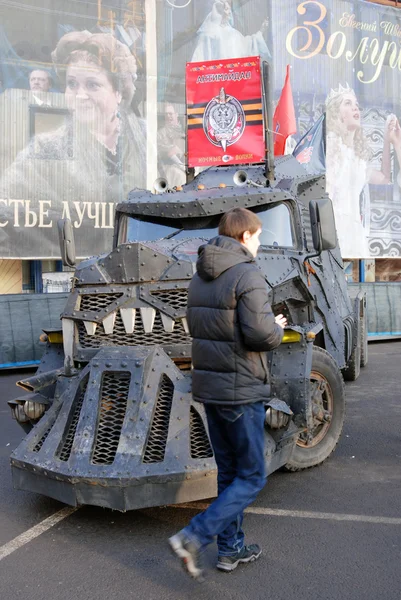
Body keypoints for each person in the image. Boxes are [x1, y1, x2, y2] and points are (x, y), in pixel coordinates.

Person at [168, 207, 287, 581]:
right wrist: (277, 328)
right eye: (257, 234)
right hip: (241, 390)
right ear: (243, 236)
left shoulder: (199, 277)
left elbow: (212, 328)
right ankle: (194, 536)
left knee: (229, 472)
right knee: (252, 476)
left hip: (211, 389)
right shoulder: (247, 275)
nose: (260, 241)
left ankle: (230, 549)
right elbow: (258, 335)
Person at [0, 31, 148, 258]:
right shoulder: (46, 149)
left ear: (118, 92)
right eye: (72, 84)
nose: (80, 95)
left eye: (92, 85)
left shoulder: (146, 140)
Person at [325, 83, 401, 258]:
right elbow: (327, 191)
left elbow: (383, 177)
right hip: (336, 227)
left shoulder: (356, 157)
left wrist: (388, 140)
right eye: (347, 103)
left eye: (356, 104)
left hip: (355, 230)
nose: (355, 107)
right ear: (337, 114)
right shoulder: (332, 145)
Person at [191, 1, 271, 63]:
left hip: (232, 79)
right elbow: (198, 60)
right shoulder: (208, 34)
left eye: (229, 9)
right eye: (226, 9)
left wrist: (261, 31)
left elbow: (247, 46)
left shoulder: (233, 34)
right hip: (213, 80)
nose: (228, 12)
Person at [157, 103, 186, 188]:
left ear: (176, 114)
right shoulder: (160, 133)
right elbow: (164, 152)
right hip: (169, 169)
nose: (168, 116)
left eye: (170, 113)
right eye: (166, 114)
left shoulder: (184, 131)